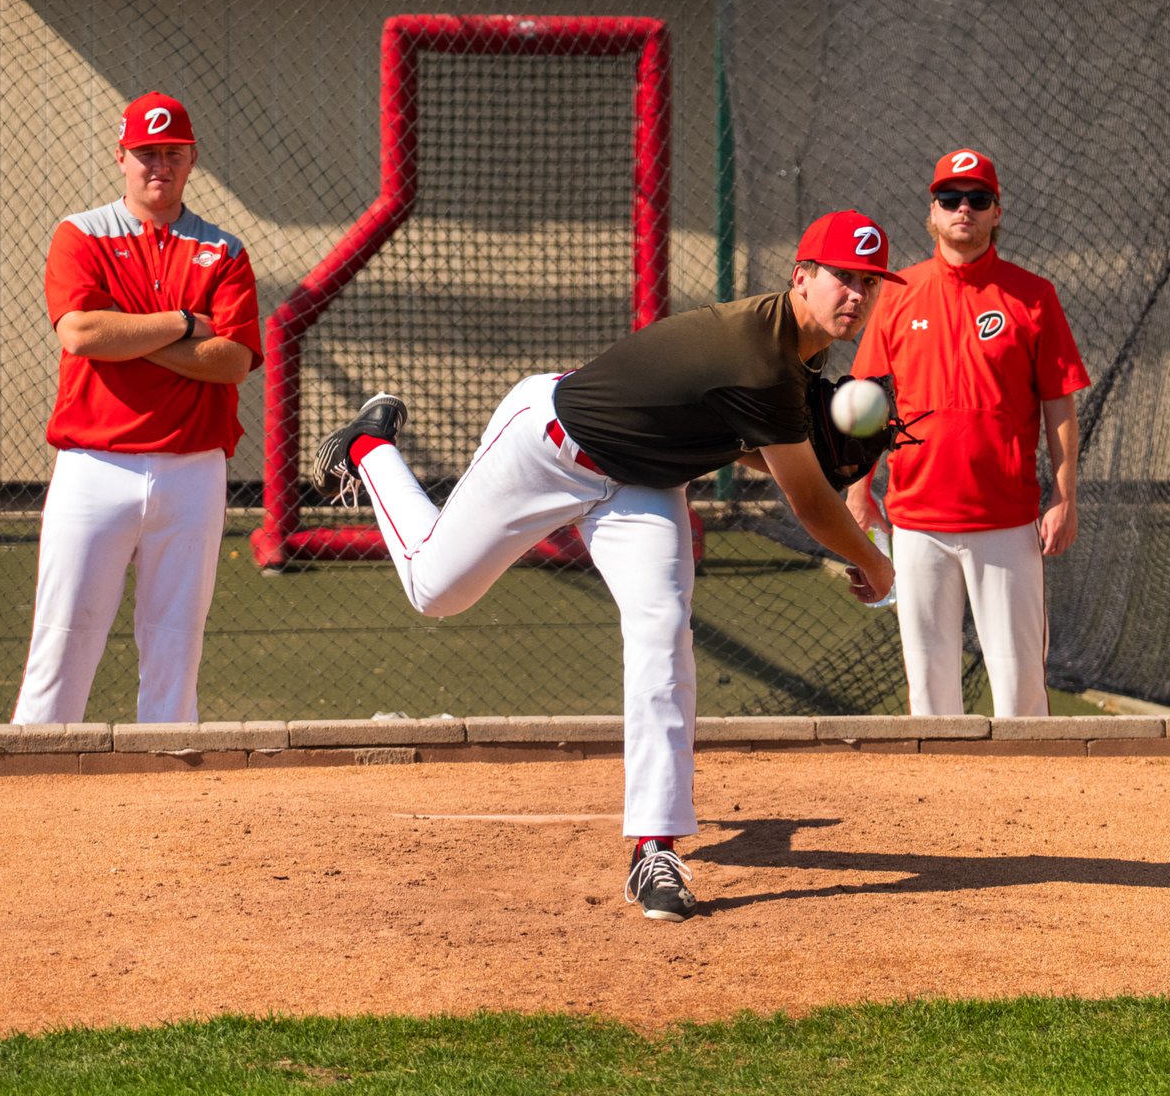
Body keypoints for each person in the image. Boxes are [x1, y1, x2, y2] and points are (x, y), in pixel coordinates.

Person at [312, 209, 902, 921]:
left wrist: (806, 453)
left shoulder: (799, 355)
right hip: (549, 447)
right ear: (801, 276)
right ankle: (370, 450)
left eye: (870, 282)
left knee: (663, 627)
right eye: (844, 277)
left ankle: (655, 849)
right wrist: (876, 561)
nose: (857, 296)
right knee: (435, 590)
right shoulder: (761, 355)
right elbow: (807, 499)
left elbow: (741, 439)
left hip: (644, 481)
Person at [12, 91, 263, 725]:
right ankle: (29, 792)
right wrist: (181, 325)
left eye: (173, 154)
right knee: (63, 640)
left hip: (192, 468)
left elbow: (234, 360)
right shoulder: (81, 234)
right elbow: (80, 334)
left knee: (175, 646)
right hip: (94, 464)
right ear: (121, 156)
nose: (160, 166)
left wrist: (125, 336)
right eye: (146, 153)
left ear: (192, 159)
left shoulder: (224, 250)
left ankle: (168, 800)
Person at [846, 149, 1091, 717]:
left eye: (978, 199)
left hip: (1005, 522)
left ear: (996, 212)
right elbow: (866, 407)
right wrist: (859, 494)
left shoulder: (1034, 296)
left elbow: (1059, 404)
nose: (964, 209)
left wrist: (1066, 498)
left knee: (1021, 694)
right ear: (931, 213)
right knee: (930, 697)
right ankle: (940, 807)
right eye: (950, 198)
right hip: (915, 523)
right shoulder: (897, 293)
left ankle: (1027, 806)